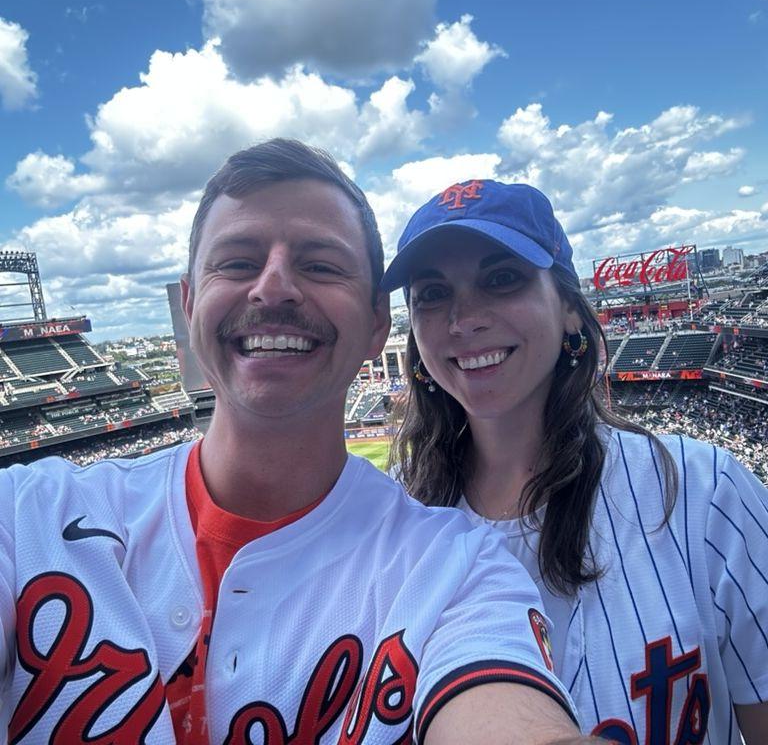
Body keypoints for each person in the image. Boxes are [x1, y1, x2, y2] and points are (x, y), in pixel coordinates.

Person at [0, 141, 592, 745]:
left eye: (321, 265)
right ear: (189, 302)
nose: (274, 287)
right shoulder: (25, 517)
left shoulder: (458, 569)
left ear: (378, 324)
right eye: (237, 262)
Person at [381, 179, 768, 744]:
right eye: (432, 293)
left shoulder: (702, 491)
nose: (463, 319)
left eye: (502, 278)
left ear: (567, 306)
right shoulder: (392, 516)